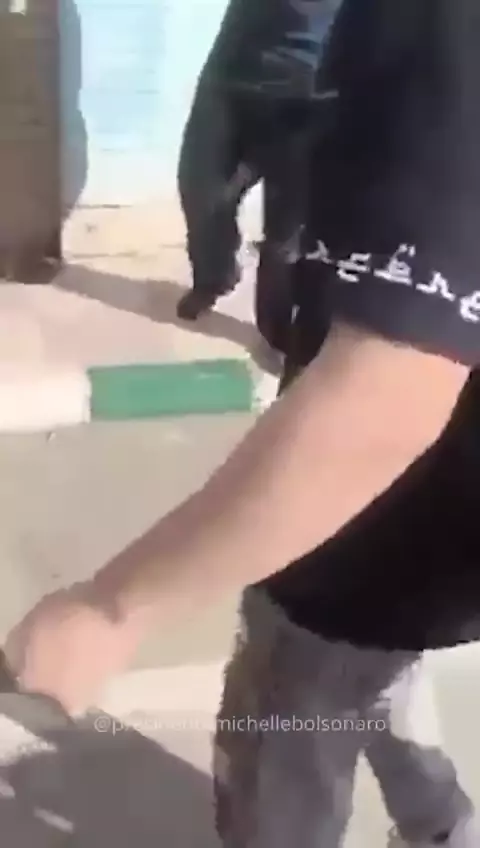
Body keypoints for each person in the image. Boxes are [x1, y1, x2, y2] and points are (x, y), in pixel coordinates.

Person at [5, 1, 480, 846]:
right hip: (430, 544)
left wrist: (113, 608)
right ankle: (445, 828)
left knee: (295, 705)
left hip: (383, 528)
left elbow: (388, 391)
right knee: (373, 668)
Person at [176, 0, 343, 353]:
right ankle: (215, 275)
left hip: (307, 94)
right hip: (230, 77)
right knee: (201, 191)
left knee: (285, 234)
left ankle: (276, 331)